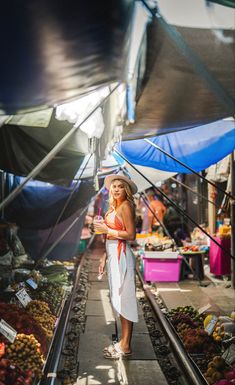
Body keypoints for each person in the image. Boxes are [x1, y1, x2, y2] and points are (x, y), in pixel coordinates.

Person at [94, 173, 138, 359]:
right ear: (110, 189)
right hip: (113, 254)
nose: (117, 188)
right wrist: (104, 256)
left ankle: (125, 346)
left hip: (121, 256)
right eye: (114, 186)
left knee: (125, 299)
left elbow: (131, 235)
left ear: (126, 190)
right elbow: (111, 237)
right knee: (119, 300)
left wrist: (107, 229)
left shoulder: (126, 206)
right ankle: (122, 341)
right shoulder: (114, 206)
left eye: (121, 186)